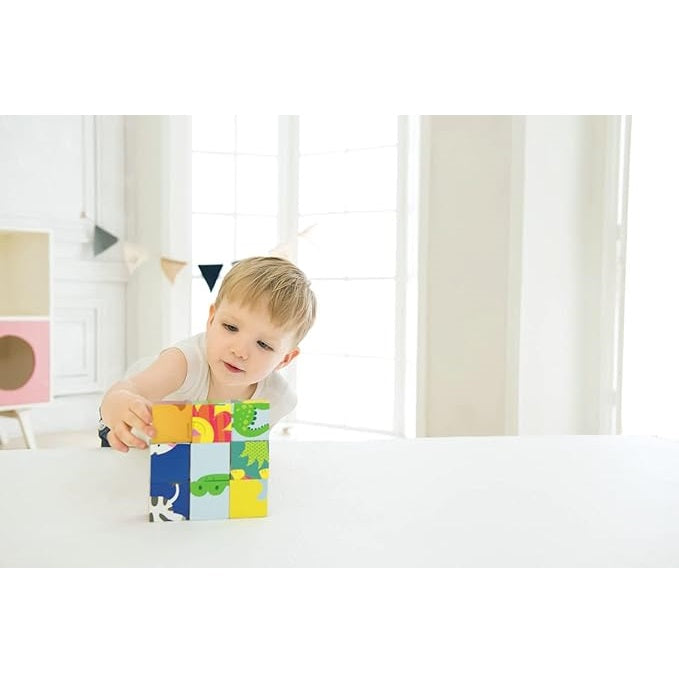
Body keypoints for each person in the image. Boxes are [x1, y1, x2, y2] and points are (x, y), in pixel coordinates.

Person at [99, 256, 316, 452]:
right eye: (230, 327)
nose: (239, 351)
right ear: (212, 319)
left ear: (285, 359)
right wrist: (119, 406)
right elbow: (125, 391)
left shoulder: (278, 397)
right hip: (130, 432)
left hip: (193, 450)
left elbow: (240, 454)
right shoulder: (182, 363)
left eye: (263, 345)